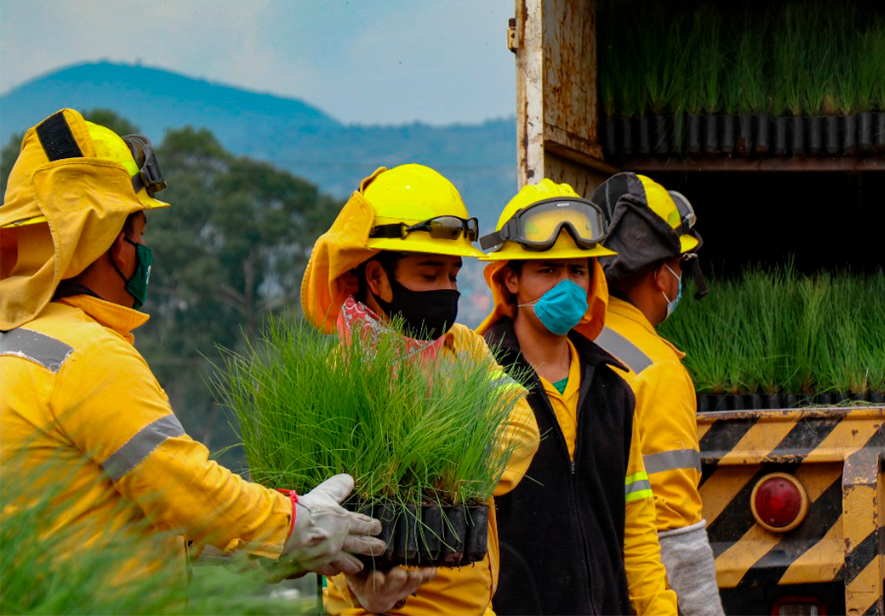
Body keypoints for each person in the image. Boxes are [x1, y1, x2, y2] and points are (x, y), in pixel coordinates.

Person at [0, 109, 384, 579]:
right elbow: (185, 488)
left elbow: (122, 515)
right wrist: (299, 524)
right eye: (139, 233)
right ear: (104, 239)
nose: (143, 253)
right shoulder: (86, 353)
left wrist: (272, 552)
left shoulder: (21, 345)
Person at [299, 163, 542, 615]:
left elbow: (520, 431)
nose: (446, 291)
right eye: (429, 276)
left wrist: (430, 468)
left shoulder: (463, 348)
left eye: (452, 276)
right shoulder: (339, 377)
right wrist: (459, 451)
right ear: (375, 279)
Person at [474, 180, 677, 616]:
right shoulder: (476, 388)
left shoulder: (613, 391)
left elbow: (638, 529)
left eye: (577, 271)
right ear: (510, 278)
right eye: (547, 271)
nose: (566, 286)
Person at [585, 173, 722, 616]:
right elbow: (674, 528)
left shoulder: (560, 340)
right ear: (662, 272)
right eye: (681, 263)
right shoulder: (657, 370)